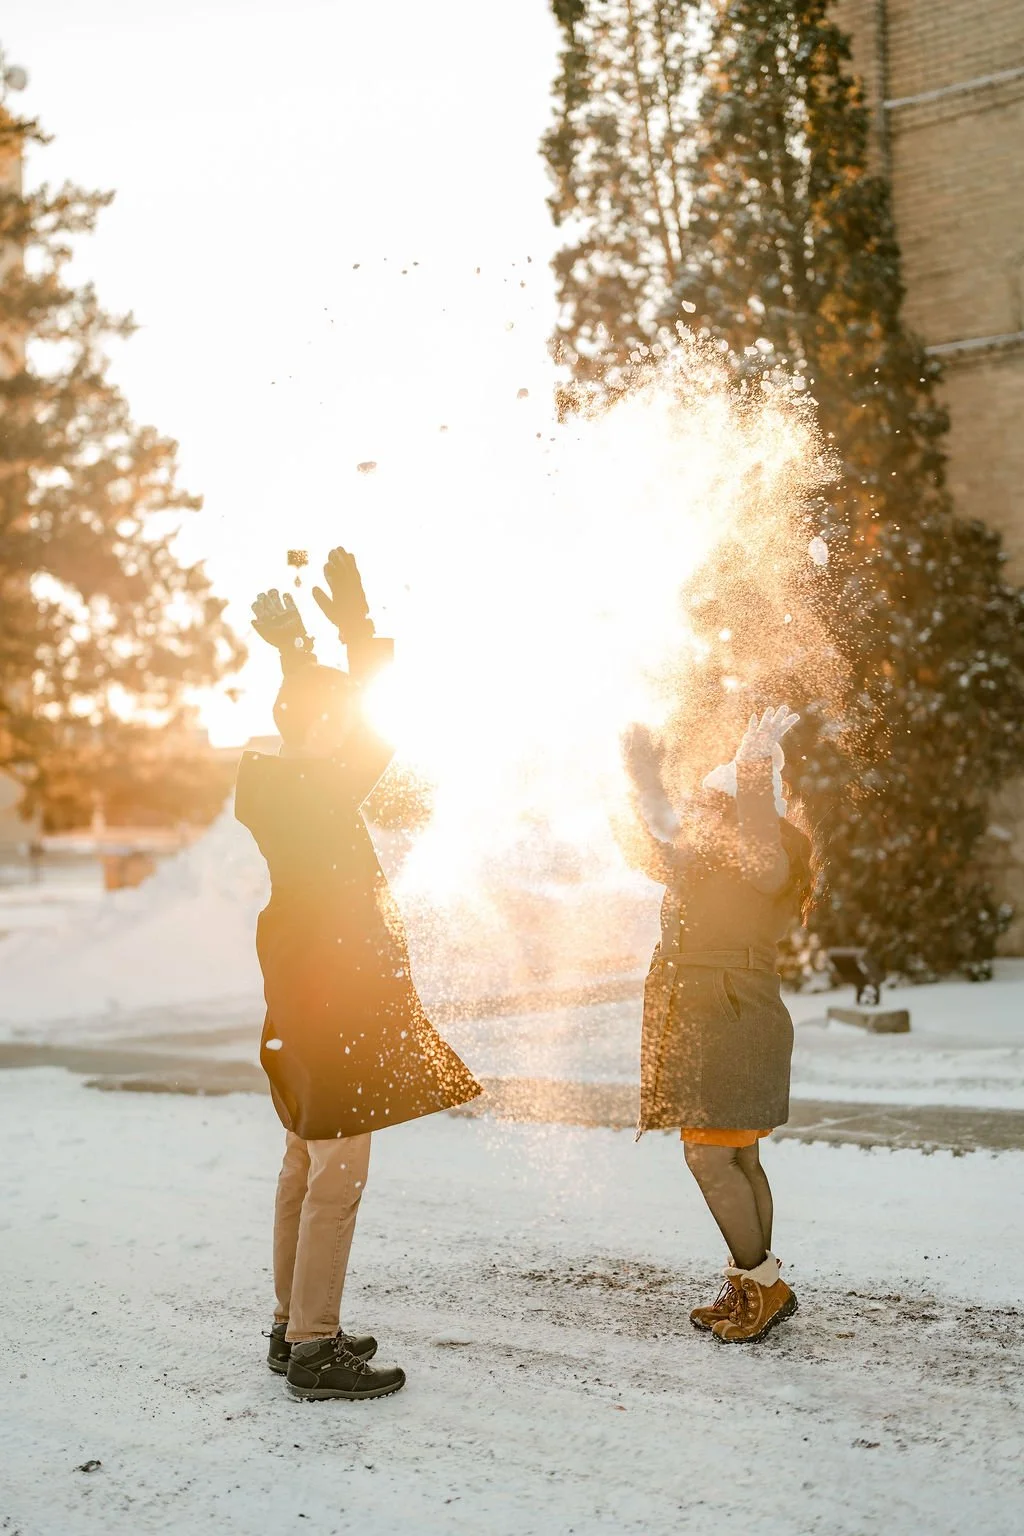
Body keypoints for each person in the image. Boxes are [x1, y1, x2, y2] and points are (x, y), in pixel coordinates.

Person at [235, 548, 481, 1401]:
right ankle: (314, 1348)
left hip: (297, 1000)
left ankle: (287, 1324)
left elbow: (320, 715)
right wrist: (352, 630)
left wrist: (298, 653)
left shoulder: (278, 782)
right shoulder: (324, 789)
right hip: (334, 1003)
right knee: (336, 1176)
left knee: (302, 1163)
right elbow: (373, 720)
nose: (346, 724)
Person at [617, 706, 812, 1343]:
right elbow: (651, 842)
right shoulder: (706, 862)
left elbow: (756, 848)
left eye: (711, 804)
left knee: (711, 1158)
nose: (699, 814)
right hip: (716, 1012)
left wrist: (754, 768)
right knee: (738, 1158)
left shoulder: (768, 853)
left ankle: (763, 1288)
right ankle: (754, 1283)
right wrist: (639, 772)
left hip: (728, 1013)